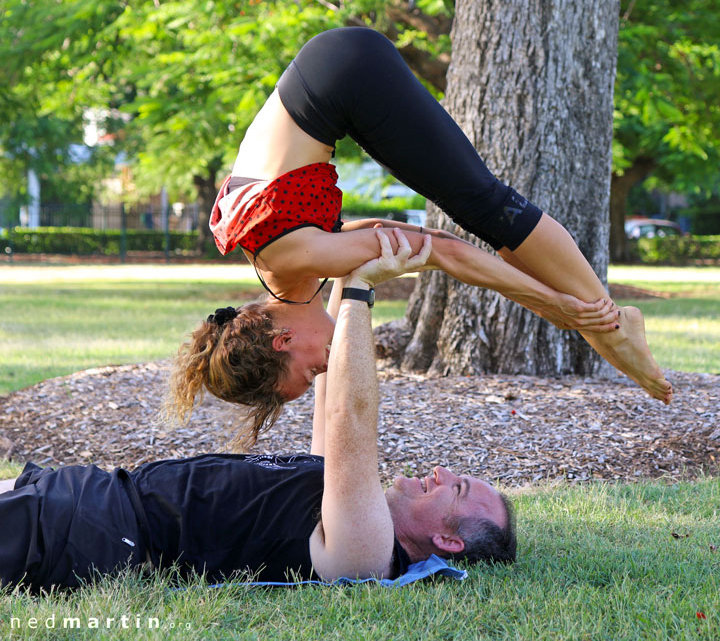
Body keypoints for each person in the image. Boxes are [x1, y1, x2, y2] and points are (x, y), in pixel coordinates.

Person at [171, 26, 671, 441]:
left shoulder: (295, 256)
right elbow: (423, 238)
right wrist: (545, 298)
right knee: (475, 207)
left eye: (311, 371)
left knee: (483, 203)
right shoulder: (290, 267)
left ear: (283, 340)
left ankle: (608, 329)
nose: (325, 366)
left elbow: (445, 252)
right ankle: (600, 321)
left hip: (346, 74)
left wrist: (551, 307)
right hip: (337, 75)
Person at [0, 236, 515, 592]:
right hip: (91, 491)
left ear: (448, 541)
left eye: (459, 488)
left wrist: (362, 289)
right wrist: (347, 266)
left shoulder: (368, 550)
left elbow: (350, 418)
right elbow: (332, 394)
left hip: (95, 532)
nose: (443, 473)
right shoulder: (341, 507)